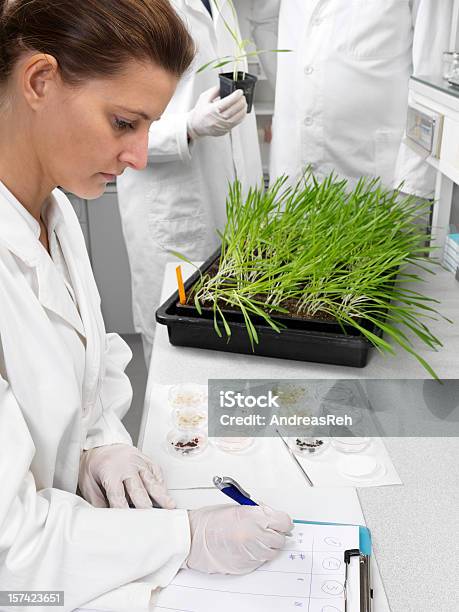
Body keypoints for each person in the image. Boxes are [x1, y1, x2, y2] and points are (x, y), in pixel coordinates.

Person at [0, 1, 292, 610]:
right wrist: (184, 536)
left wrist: (98, 440)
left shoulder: (51, 210)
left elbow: (91, 355)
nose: (137, 156)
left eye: (147, 125)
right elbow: (13, 551)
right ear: (39, 80)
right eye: (123, 122)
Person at [117, 0, 280, 364]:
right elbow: (115, 125)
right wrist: (188, 127)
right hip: (175, 221)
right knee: (178, 363)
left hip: (236, 214)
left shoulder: (222, 4)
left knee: (238, 355)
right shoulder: (133, 7)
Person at [270, 0, 454, 197]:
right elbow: (262, 18)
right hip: (292, 170)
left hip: (374, 177)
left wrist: (413, 188)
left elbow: (434, 77)